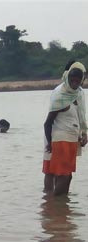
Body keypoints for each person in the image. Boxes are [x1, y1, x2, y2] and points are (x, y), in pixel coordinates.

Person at [44, 62, 87, 197]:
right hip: (60, 140)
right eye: (72, 80)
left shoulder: (77, 94)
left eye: (78, 80)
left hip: (71, 139)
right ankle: (57, 204)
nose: (75, 83)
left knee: (67, 175)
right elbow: (47, 123)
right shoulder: (60, 95)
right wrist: (50, 143)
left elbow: (76, 118)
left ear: (82, 80)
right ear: (67, 78)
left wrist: (83, 133)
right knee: (63, 174)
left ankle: (60, 209)